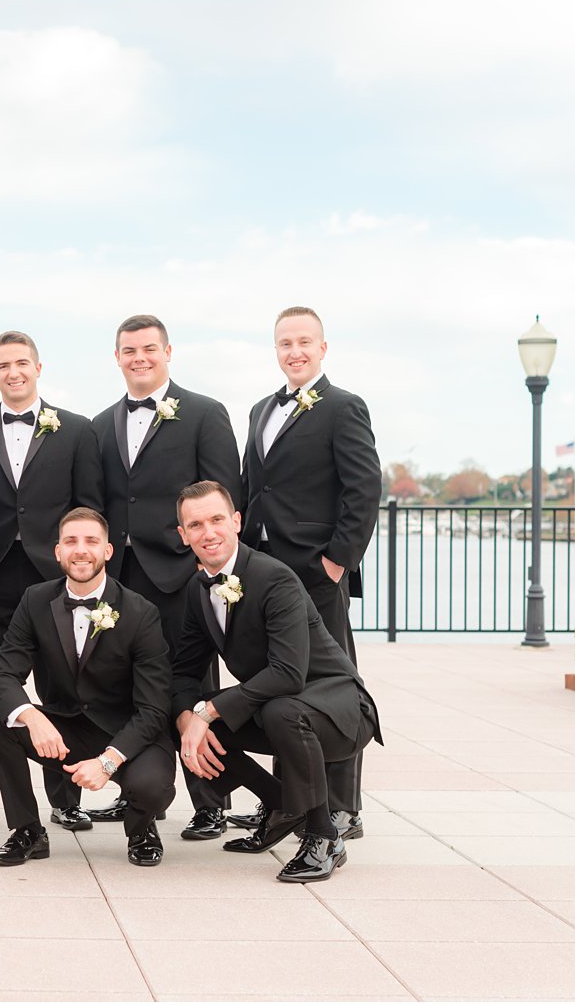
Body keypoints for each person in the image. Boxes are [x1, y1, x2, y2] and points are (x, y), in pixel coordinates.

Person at [171, 481, 382, 883]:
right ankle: (282, 806)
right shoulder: (199, 591)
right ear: (183, 535)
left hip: (341, 709)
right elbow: (183, 671)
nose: (208, 532)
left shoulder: (275, 578)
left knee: (275, 709)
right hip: (279, 706)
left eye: (217, 519)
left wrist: (209, 710)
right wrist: (186, 718)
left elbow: (288, 672)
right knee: (183, 717)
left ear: (236, 522)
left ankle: (324, 837)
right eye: (195, 524)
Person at [89, 314, 242, 840]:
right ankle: (136, 790)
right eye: (129, 350)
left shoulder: (203, 413)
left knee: (192, 686)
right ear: (117, 357)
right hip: (123, 577)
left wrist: (208, 563)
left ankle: (211, 803)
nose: (140, 358)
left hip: (180, 572)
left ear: (168, 351)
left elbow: (224, 496)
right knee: (129, 687)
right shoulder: (101, 423)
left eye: (149, 348)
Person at [231, 306, 381, 838]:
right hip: (262, 574)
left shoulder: (343, 407)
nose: (293, 351)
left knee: (331, 690)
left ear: (322, 348)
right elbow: (253, 487)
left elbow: (364, 489)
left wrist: (336, 562)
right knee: (276, 687)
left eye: (303, 342)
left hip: (316, 576)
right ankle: (291, 801)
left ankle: (343, 808)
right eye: (284, 343)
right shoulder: (258, 410)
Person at [0, 331, 102, 832]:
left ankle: (66, 798)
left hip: (56, 576)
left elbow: (88, 506)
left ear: (39, 367)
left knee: (64, 691)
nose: (13, 372)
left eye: (21, 363)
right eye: (3, 365)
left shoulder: (76, 431)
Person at [0, 508, 177, 867]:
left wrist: (107, 762)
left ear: (108, 551)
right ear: (57, 551)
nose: (80, 550)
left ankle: (142, 828)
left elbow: (153, 709)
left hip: (129, 734)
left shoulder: (140, 612)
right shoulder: (35, 600)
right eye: (71, 541)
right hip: (67, 727)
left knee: (152, 788)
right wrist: (32, 717)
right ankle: (27, 831)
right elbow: (2, 675)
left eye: (91, 541)